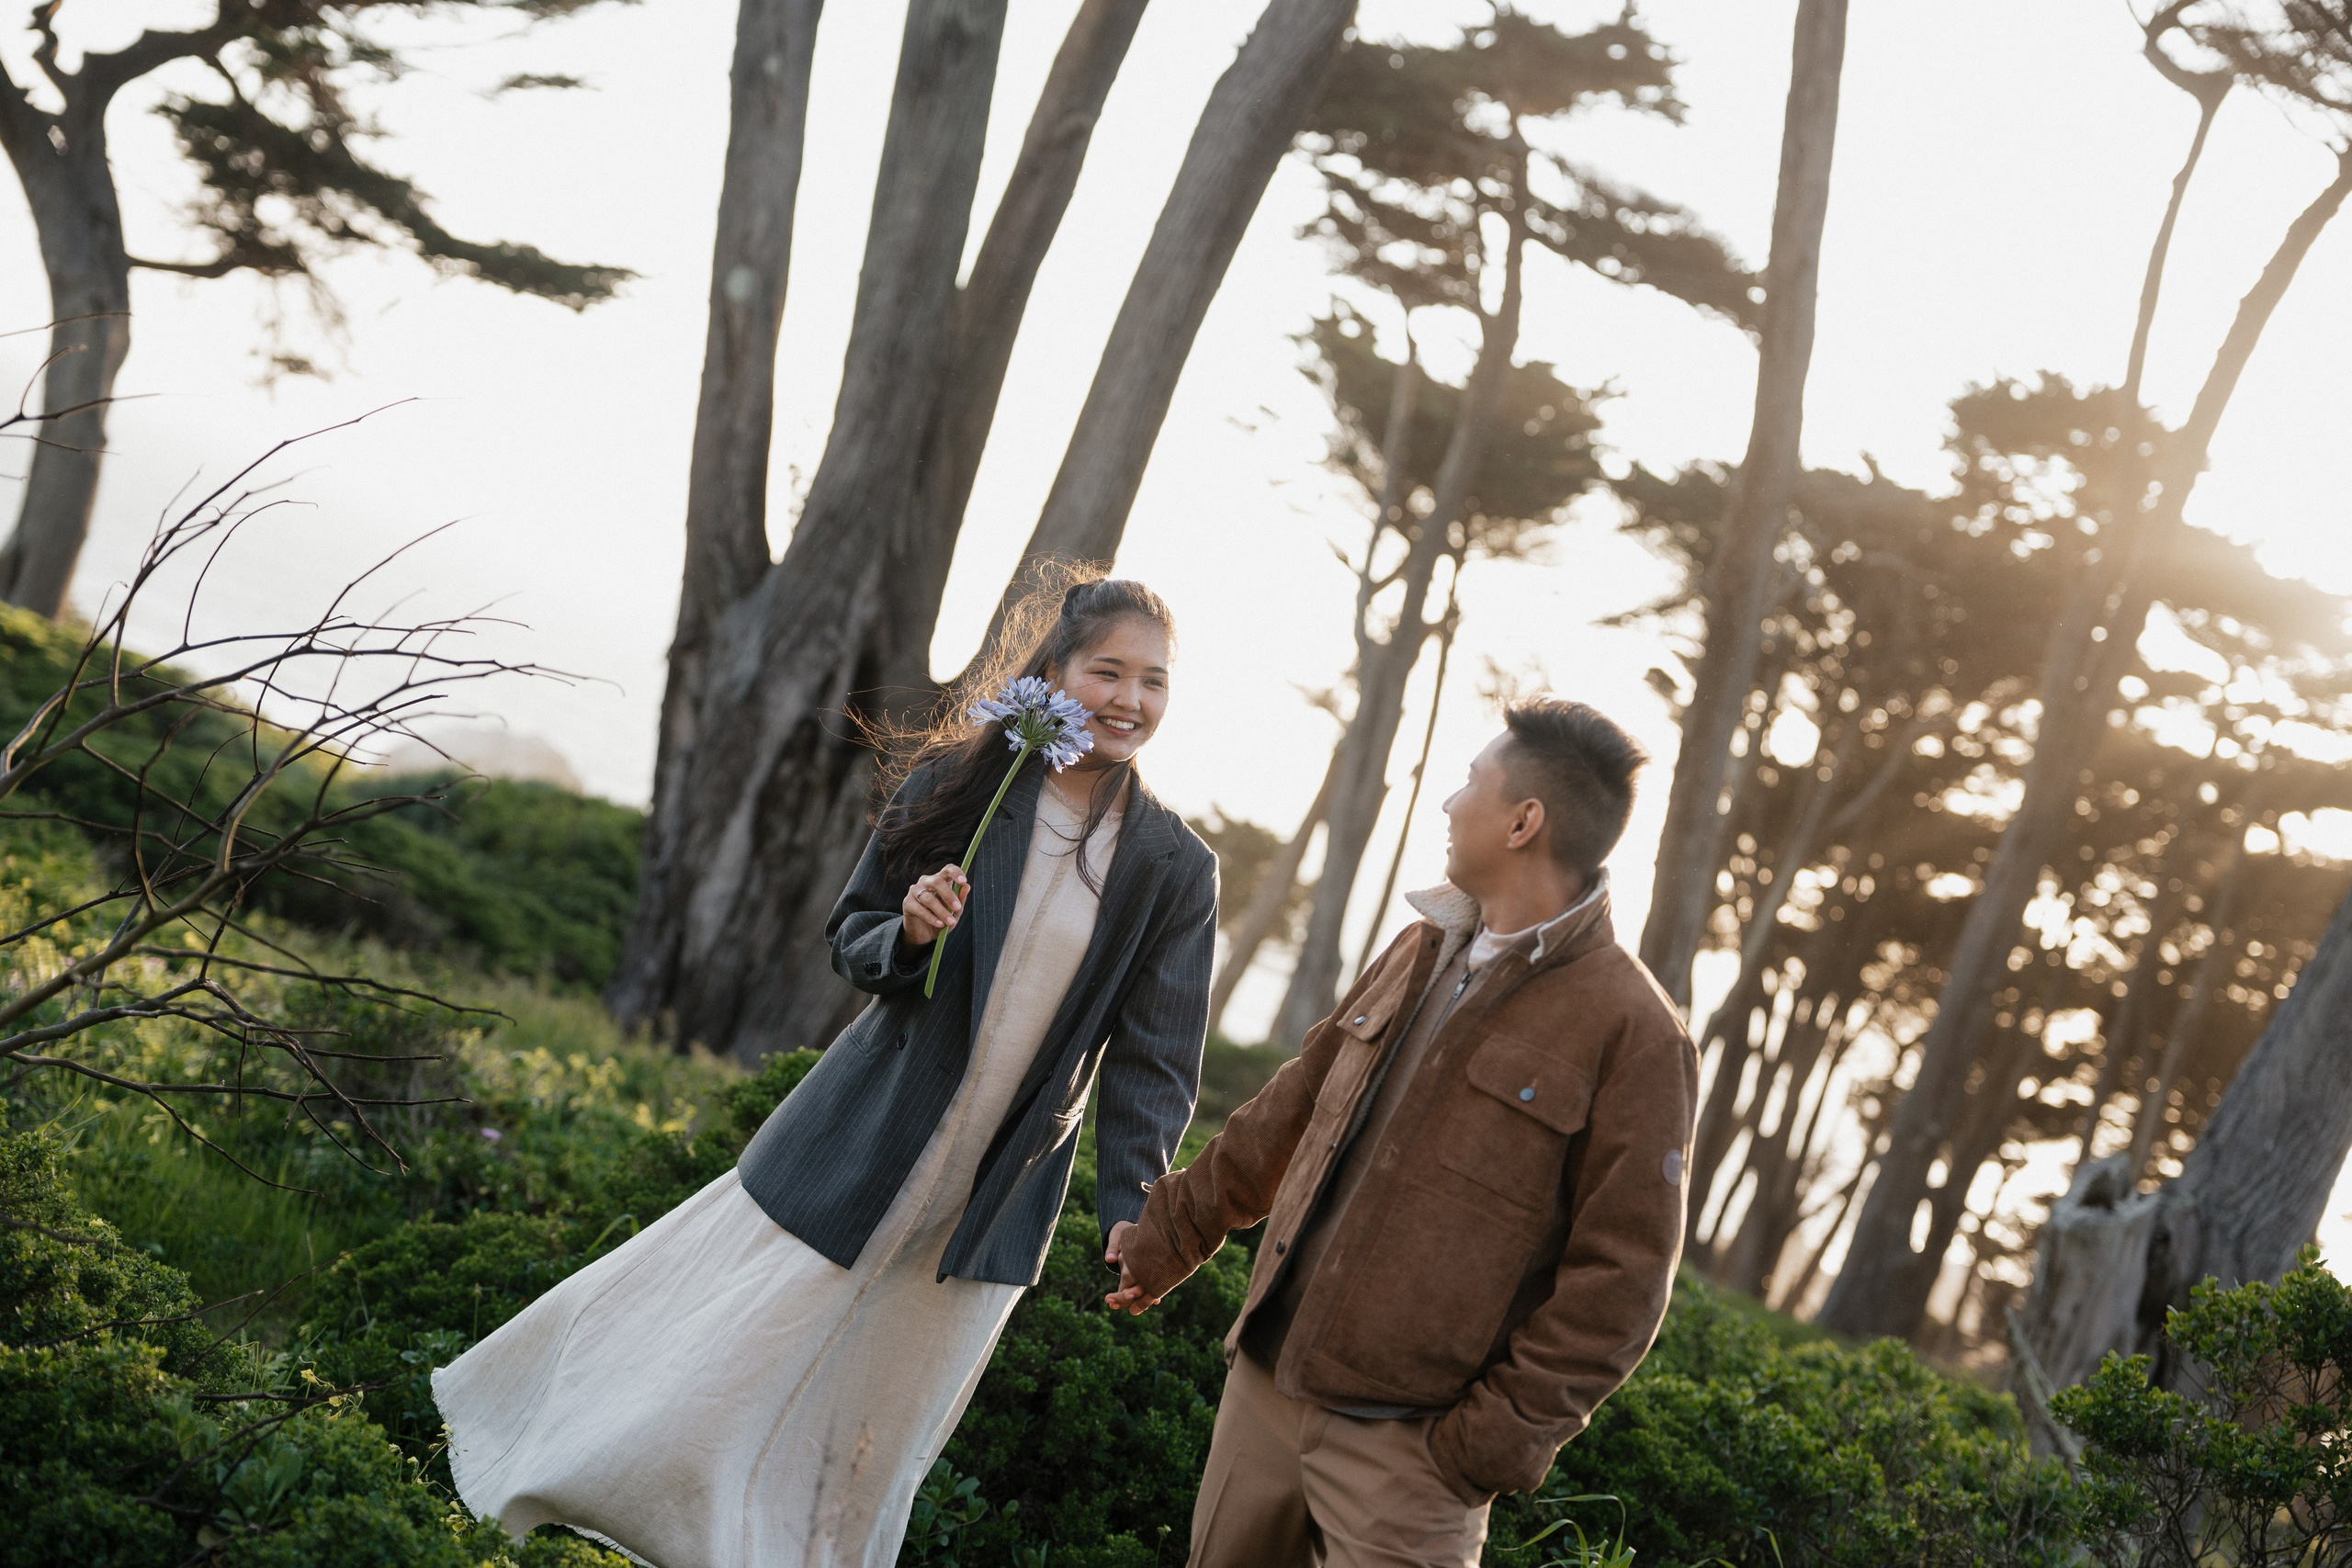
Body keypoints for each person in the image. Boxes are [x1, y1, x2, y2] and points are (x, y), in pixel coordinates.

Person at [434, 577, 1218, 1568]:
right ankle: (590, 1477)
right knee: (725, 1353)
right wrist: (909, 932)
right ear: (1054, 672)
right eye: (1108, 671)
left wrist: (1135, 1210)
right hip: (861, 1136)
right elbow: (853, 935)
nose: (1130, 699)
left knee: (872, 1427)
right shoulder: (958, 788)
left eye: (1154, 680)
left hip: (994, 1191)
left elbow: (1155, 1062)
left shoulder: (1176, 868)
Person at [1103, 697, 1698, 1568]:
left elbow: (1625, 1275)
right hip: (1265, 1390)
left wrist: (1490, 1443)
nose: (1450, 803)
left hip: (1415, 1457)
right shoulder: (1420, 946)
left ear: (1524, 821)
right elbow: (1295, 1106)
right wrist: (1170, 1233)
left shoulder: (1636, 1031)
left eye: (1471, 782)